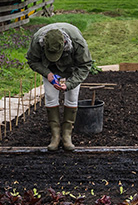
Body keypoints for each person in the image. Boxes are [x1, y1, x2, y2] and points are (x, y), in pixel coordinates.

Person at [26, 23, 93, 151]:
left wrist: (69, 84)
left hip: (72, 69)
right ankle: (55, 136)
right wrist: (48, 74)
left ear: (64, 43)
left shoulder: (77, 42)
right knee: (50, 97)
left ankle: (67, 135)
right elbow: (32, 60)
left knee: (72, 97)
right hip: (50, 70)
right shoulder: (37, 41)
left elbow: (85, 65)